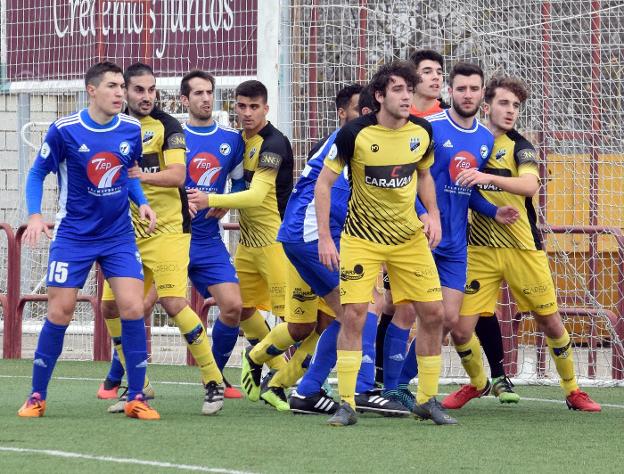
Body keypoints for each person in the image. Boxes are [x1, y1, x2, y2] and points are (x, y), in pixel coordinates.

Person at [443, 75, 601, 412]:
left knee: (550, 321)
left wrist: (487, 177)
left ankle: (573, 390)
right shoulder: (471, 142)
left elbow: (530, 185)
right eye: (504, 103)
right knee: (458, 328)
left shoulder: (520, 146)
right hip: (479, 250)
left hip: (523, 249)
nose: (511, 110)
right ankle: (477, 382)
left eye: (516, 105)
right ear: (486, 106)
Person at [315, 60, 455, 426]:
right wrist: (326, 238)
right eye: (398, 89)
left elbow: (424, 175)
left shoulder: (422, 133)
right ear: (379, 96)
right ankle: (346, 403)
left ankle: (426, 399)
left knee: (435, 314)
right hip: (362, 240)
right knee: (355, 315)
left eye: (410, 89)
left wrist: (434, 214)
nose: (407, 95)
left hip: (408, 239)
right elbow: (323, 185)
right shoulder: (353, 135)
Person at [18, 62, 159, 420]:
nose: (120, 93)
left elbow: (128, 175)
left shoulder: (130, 129)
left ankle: (137, 397)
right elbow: (37, 173)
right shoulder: (65, 130)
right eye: (113, 86)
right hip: (74, 237)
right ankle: (37, 396)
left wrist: (141, 202)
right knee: (60, 311)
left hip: (118, 236)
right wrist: (35, 215)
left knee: (132, 307)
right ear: (91, 90)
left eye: (121, 86)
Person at [381, 62, 520, 409]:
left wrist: (493, 210)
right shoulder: (427, 127)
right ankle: (388, 387)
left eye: (474, 89)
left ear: (482, 96)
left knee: (447, 318)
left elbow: (466, 187)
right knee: (407, 312)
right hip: (421, 236)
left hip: (457, 243)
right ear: (450, 92)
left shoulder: (486, 140)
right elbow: (407, 179)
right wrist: (425, 215)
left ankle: (402, 384)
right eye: (461, 89)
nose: (468, 95)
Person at [99, 63, 225, 416]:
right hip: (127, 233)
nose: (146, 96)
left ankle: (213, 381)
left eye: (151, 89)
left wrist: (139, 175)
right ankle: (139, 383)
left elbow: (178, 175)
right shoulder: (114, 126)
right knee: (110, 306)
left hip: (169, 229)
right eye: (139, 90)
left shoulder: (168, 127)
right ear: (125, 91)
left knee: (172, 302)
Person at [275, 85, 408, 416]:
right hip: (311, 233)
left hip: (303, 233)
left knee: (347, 312)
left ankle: (307, 392)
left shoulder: (356, 140)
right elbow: (332, 194)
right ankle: (362, 389)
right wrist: (325, 237)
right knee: (365, 304)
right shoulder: (355, 140)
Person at [187, 80, 294, 401]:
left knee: (293, 319)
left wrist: (213, 201)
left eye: (254, 107)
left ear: (266, 109)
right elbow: (236, 185)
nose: (247, 113)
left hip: (276, 242)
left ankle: (304, 379)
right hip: (247, 244)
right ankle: (272, 366)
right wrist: (222, 199)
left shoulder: (273, 143)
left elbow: (258, 194)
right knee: (241, 308)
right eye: (242, 106)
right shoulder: (237, 141)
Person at [180, 70, 245, 394]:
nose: (206, 99)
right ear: (184, 100)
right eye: (198, 94)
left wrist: (225, 201)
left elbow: (242, 182)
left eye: (209, 93)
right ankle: (127, 382)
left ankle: (214, 377)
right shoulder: (173, 137)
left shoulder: (231, 140)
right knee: (139, 306)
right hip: (172, 237)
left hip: (207, 240)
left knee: (233, 306)